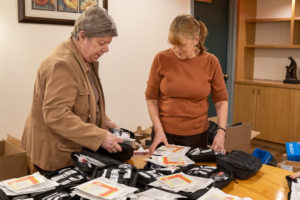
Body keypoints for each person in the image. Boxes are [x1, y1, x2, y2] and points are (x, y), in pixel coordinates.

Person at [21, 6, 123, 173]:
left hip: (69, 149)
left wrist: (103, 120)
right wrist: (100, 137)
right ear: (82, 36)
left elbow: (83, 101)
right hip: (54, 155)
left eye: (108, 43)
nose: (106, 49)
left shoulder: (83, 59)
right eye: (102, 43)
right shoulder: (64, 64)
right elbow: (56, 115)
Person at [145, 14, 228, 154]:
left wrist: (221, 132)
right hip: (164, 135)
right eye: (173, 44)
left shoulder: (211, 62)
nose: (176, 50)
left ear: (196, 40)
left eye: (182, 45)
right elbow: (151, 98)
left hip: (197, 136)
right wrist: (158, 130)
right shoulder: (161, 58)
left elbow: (221, 101)